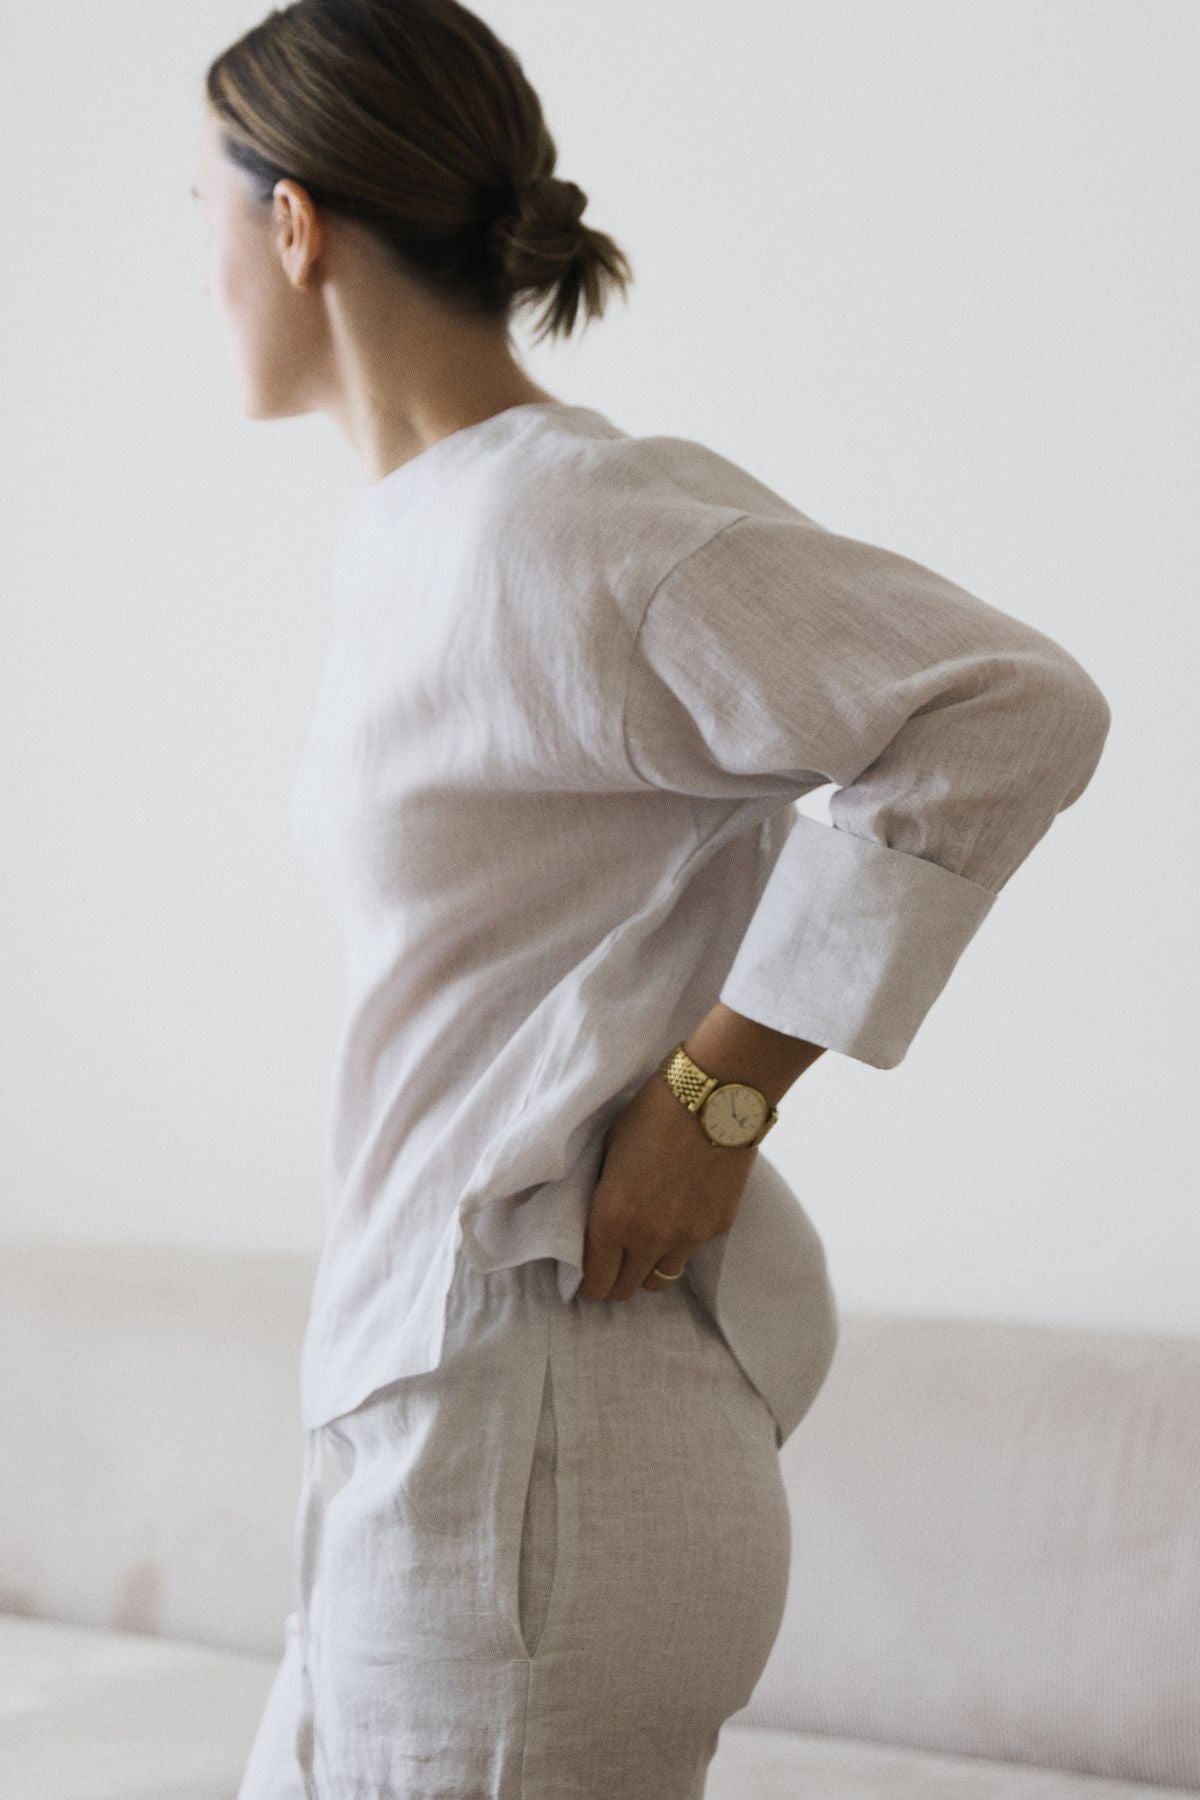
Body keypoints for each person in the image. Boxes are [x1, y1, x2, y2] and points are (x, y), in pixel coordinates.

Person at [194, 3, 1113, 1796]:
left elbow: (1009, 707)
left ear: (291, 223)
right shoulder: (420, 535)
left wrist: (722, 1091)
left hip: (541, 1421)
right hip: (421, 1405)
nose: (202, 269)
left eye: (203, 215)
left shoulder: (569, 521)